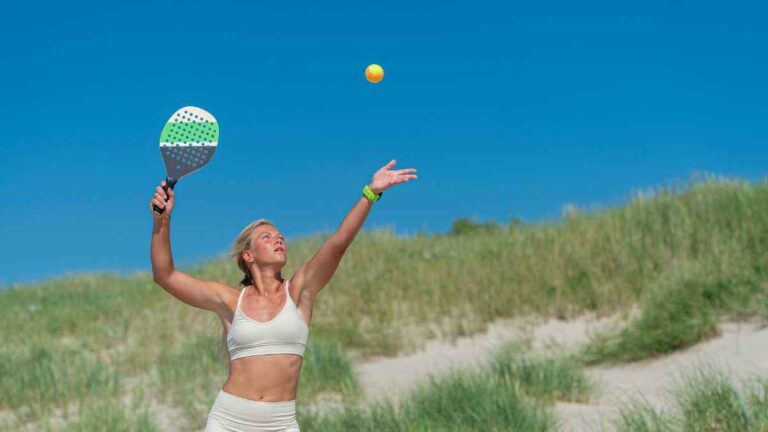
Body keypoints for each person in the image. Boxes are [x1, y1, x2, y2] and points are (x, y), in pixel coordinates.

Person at [149, 159, 417, 431]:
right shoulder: (231, 301)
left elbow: (338, 242)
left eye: (280, 236)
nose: (279, 239)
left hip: (281, 423)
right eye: (267, 237)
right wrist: (162, 221)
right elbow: (165, 276)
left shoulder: (300, 291)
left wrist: (370, 193)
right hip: (228, 421)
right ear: (248, 255)